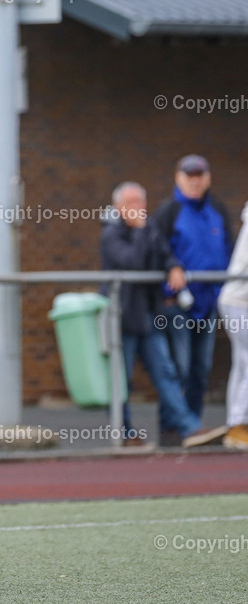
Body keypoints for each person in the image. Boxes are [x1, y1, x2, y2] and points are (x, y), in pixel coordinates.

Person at [100, 182, 225, 448]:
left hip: (148, 318)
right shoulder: (111, 234)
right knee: (122, 379)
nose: (137, 209)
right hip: (122, 318)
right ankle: (123, 433)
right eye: (130, 204)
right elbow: (132, 262)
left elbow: (165, 255)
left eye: (140, 203)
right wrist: (140, 231)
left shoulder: (150, 230)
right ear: (118, 208)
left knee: (167, 372)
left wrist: (175, 267)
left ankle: (187, 428)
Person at [150, 154, 234, 442]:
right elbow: (156, 247)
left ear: (208, 178)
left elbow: (228, 250)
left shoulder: (217, 210)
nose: (195, 180)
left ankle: (193, 427)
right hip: (177, 306)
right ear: (178, 177)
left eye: (200, 175)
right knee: (179, 369)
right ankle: (172, 428)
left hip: (208, 305)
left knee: (200, 371)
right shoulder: (168, 211)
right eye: (189, 175)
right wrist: (172, 265)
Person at [218, 200, 248, 449]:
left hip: (237, 300)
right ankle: (238, 424)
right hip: (239, 301)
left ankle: (235, 422)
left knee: (241, 363)